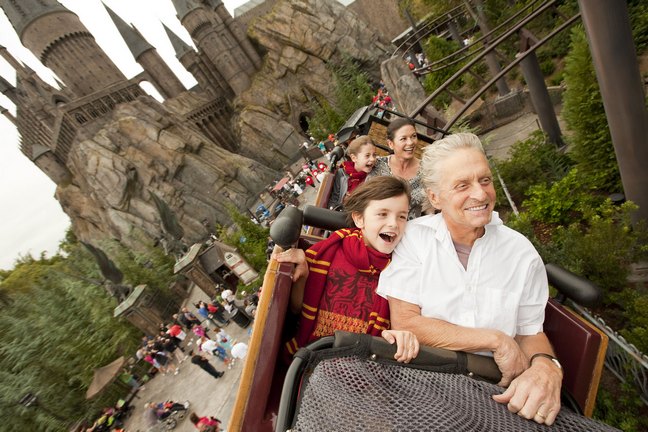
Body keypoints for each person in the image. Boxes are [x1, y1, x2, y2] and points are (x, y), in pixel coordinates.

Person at [377, 133, 562, 426]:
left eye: (485, 180)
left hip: (494, 394)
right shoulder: (413, 239)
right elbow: (406, 322)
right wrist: (495, 339)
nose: (480, 194)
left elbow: (529, 332)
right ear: (435, 197)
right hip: (426, 386)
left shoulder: (521, 253)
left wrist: (547, 367)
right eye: (463, 185)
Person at [274, 176, 419, 362]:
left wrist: (402, 335)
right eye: (382, 214)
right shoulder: (329, 251)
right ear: (359, 219)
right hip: (312, 357)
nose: (393, 224)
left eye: (402, 217)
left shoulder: (404, 265)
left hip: (362, 368)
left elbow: (403, 323)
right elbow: (296, 309)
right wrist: (302, 274)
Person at [368, 118, 427, 219]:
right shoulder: (377, 165)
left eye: (413, 136)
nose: (410, 142)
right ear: (391, 144)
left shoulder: (427, 170)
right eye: (403, 139)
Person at [329, 135, 377, 210]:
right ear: (354, 158)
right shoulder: (342, 173)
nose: (373, 159)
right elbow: (334, 200)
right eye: (367, 155)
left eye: (374, 155)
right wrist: (342, 202)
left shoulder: (376, 172)